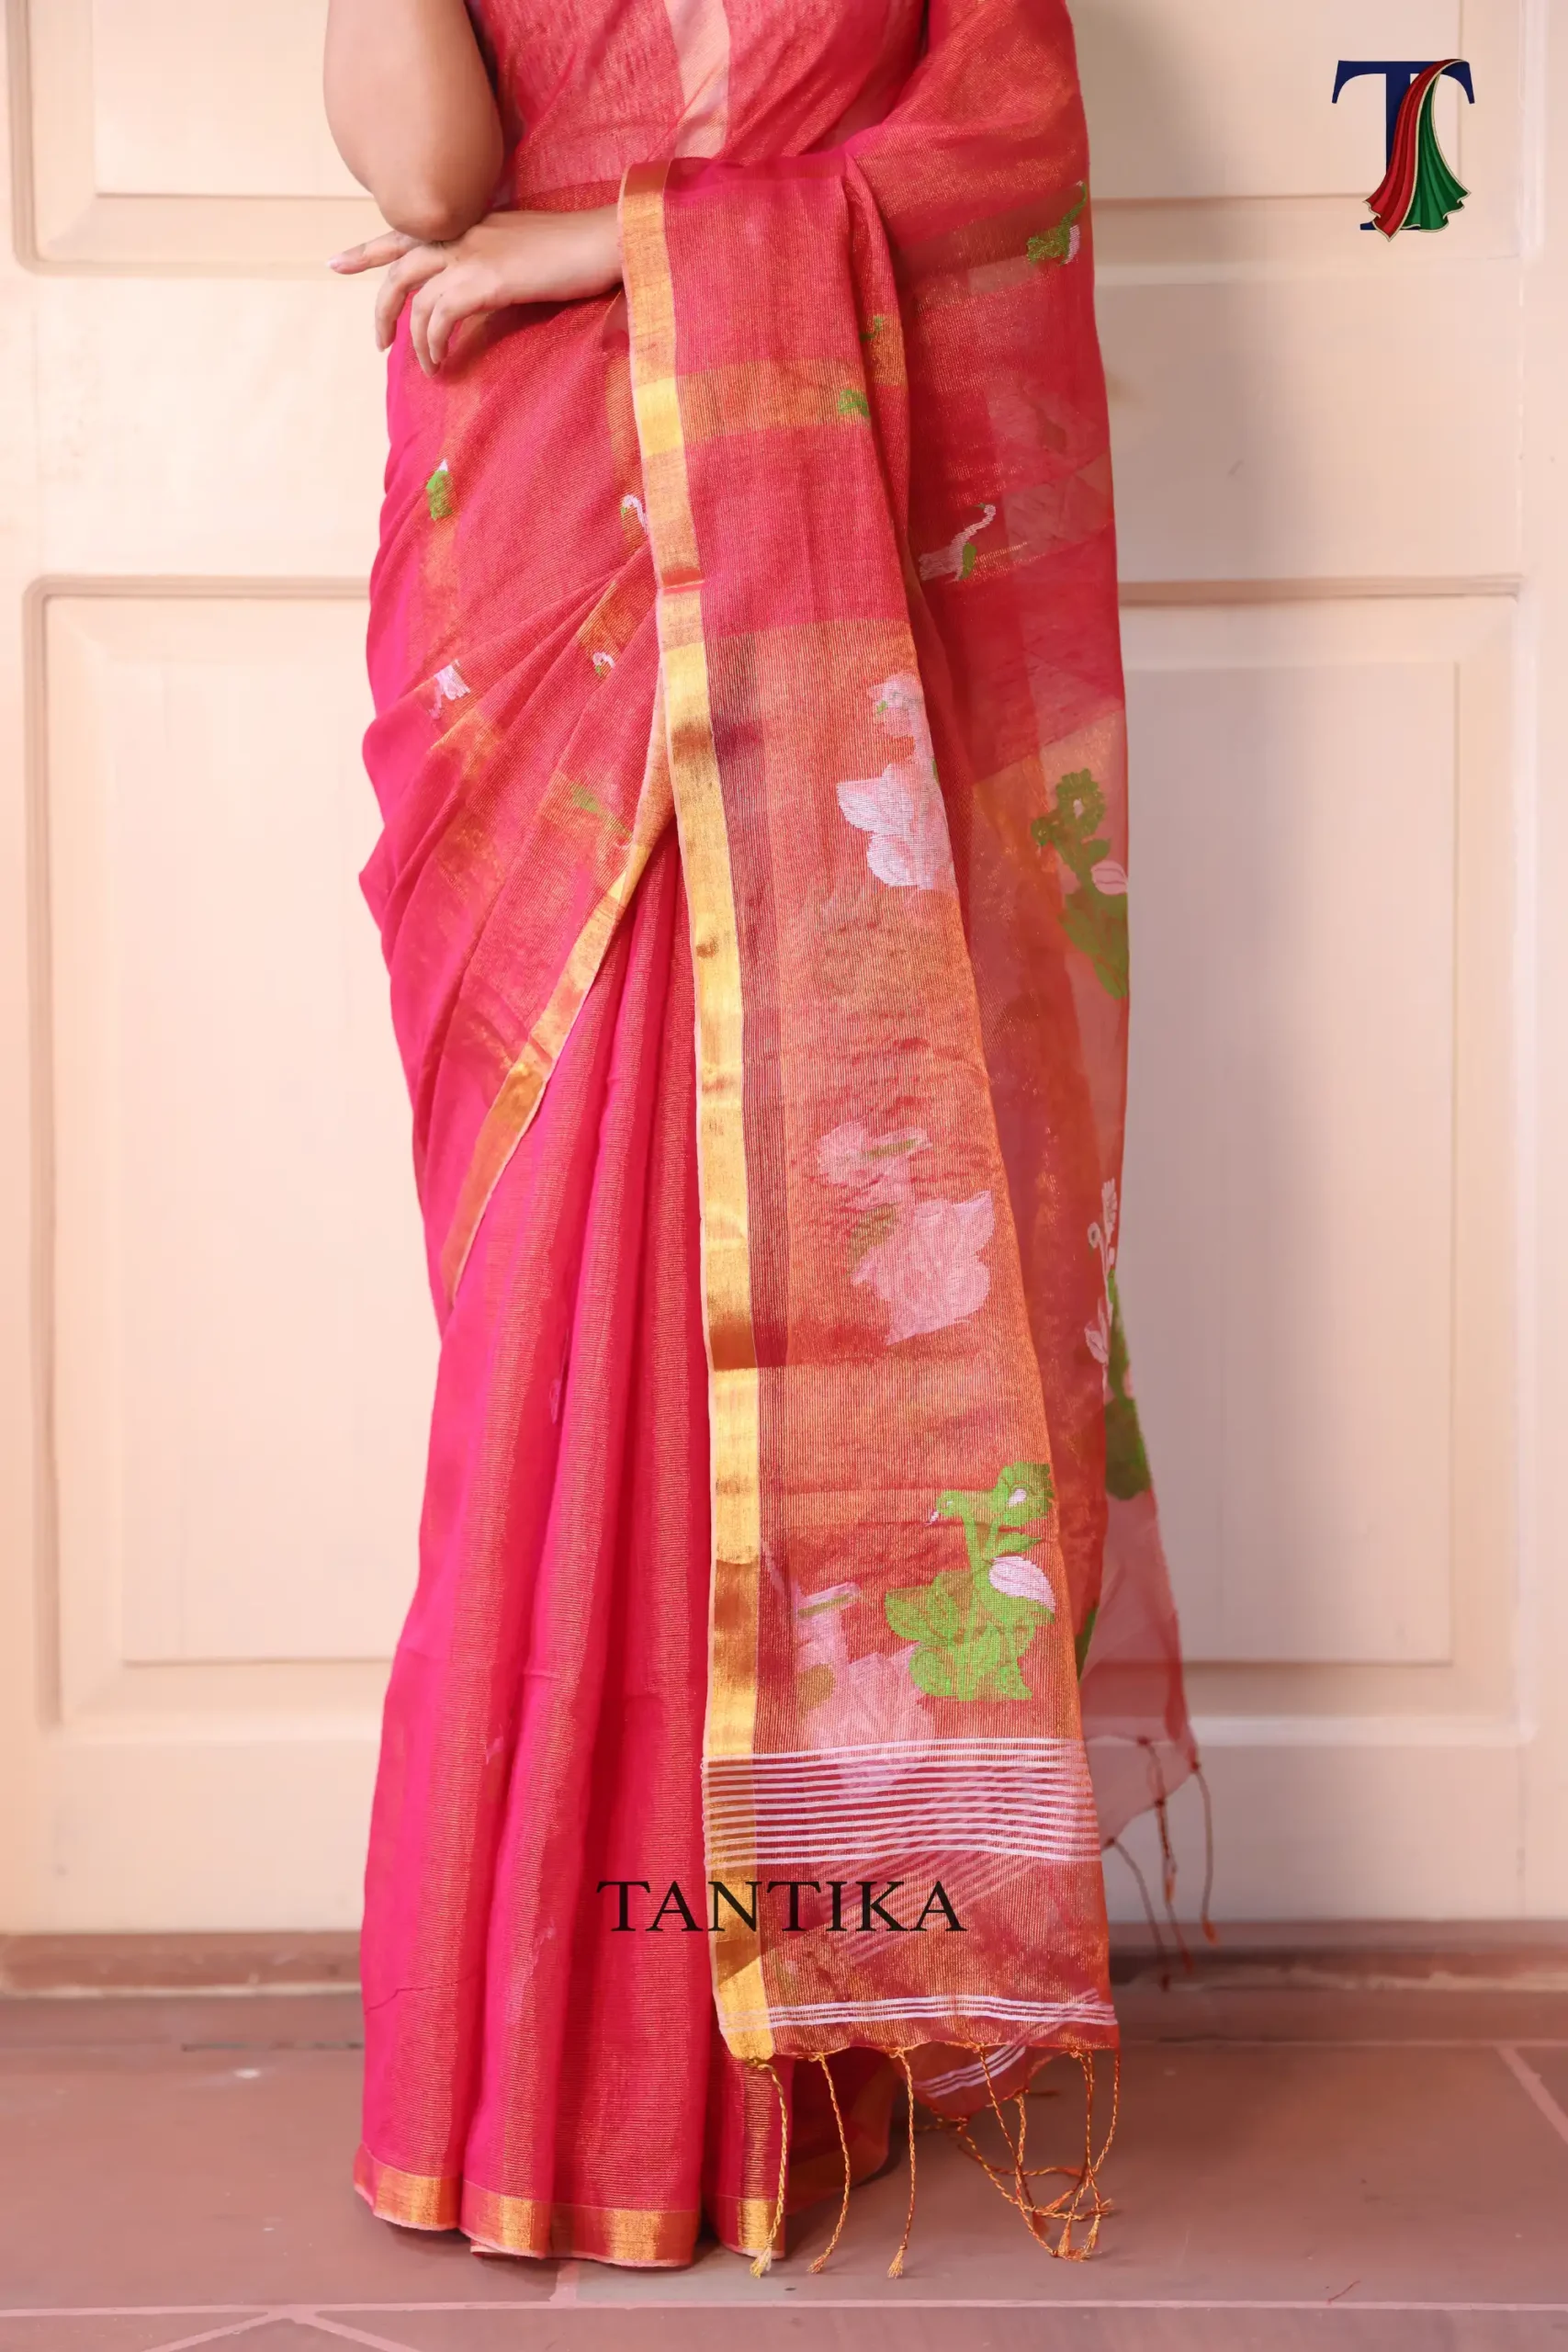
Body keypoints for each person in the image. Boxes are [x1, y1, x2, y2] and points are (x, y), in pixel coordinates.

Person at [324, 0, 1195, 2275]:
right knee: (557, 1296)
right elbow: (425, 189)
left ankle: (790, 2036)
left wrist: (620, 243)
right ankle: (538, 2066)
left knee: (818, 1239)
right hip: (548, 541)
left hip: (817, 550)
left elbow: (1001, 148)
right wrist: (574, 252)